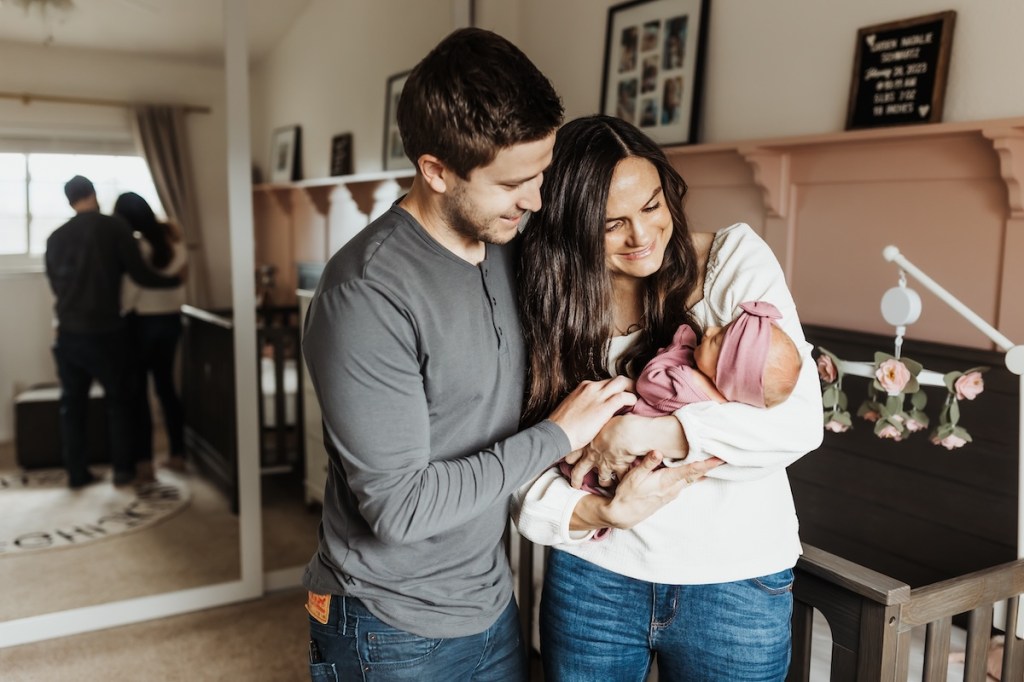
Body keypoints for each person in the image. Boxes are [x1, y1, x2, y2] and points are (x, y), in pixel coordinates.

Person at [300, 29, 635, 681]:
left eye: (541, 172)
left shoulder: (510, 240)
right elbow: (400, 509)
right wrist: (559, 433)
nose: (535, 200)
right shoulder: (366, 294)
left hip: (489, 601)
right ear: (436, 170)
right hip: (387, 627)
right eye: (514, 182)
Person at [512, 115, 823, 681]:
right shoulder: (548, 300)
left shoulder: (732, 261)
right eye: (613, 224)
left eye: (653, 206)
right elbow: (520, 447)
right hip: (594, 576)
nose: (643, 235)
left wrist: (648, 432)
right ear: (570, 227)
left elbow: (800, 423)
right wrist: (588, 511)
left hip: (736, 582)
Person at [558, 300, 802, 498]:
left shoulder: (689, 384)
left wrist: (680, 347)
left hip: (617, 461)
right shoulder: (721, 402)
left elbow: (649, 381)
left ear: (724, 374)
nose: (710, 330)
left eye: (717, 339)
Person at [44, 175, 181, 489]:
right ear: (93, 194)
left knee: (72, 405)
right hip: (106, 332)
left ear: (69, 201)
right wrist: (174, 282)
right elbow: (140, 274)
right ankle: (122, 471)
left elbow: (55, 285)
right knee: (119, 403)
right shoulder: (114, 228)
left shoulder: (55, 237)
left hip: (67, 332)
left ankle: (76, 474)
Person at [115, 192, 188, 476]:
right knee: (167, 388)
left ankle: (144, 460)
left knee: (139, 392)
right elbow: (180, 284)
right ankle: (178, 454)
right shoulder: (175, 241)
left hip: (141, 323)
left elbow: (131, 290)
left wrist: (123, 308)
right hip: (171, 321)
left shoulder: (137, 246)